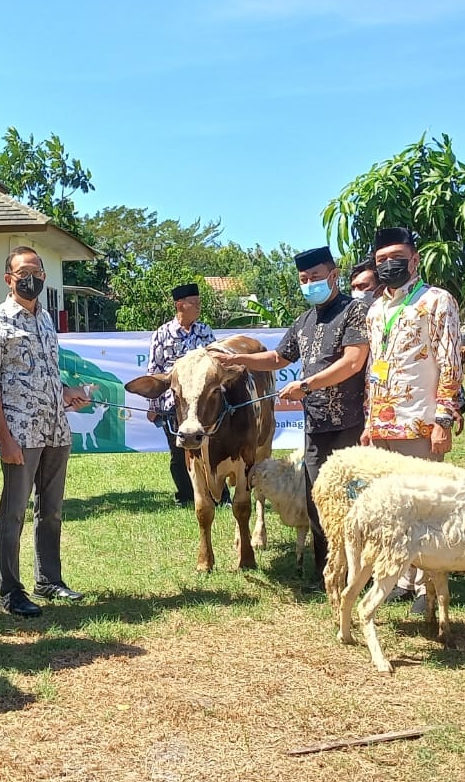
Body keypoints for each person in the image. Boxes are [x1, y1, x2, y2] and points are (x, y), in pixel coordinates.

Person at [210, 246, 368, 584]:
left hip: (350, 423)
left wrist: (306, 385)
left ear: (333, 274)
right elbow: (277, 359)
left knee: (352, 498)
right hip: (315, 423)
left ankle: (357, 571)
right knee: (316, 498)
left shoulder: (354, 312)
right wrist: (235, 361)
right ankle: (324, 571)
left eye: (315, 277)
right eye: (304, 279)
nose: (310, 283)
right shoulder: (305, 321)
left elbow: (353, 361)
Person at [0, 246, 90, 618]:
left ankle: (48, 580)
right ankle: (10, 590)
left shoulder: (46, 319)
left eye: (38, 271)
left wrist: (66, 391)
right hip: (20, 433)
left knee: (51, 510)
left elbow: (48, 371)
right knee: (14, 512)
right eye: (25, 271)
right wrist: (5, 438)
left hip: (55, 427)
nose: (33, 277)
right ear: (9, 279)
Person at [362, 227, 462, 459]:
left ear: (414, 260)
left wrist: (443, 421)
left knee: (422, 495)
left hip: (419, 426)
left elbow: (451, 365)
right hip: (380, 427)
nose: (389, 264)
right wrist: (369, 423)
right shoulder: (375, 310)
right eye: (382, 259)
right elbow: (372, 369)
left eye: (397, 257)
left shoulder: (436, 300)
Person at [145, 283, 216, 506]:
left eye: (199, 303)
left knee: (210, 448)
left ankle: (218, 496)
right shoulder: (162, 334)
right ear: (179, 305)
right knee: (178, 452)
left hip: (203, 404)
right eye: (193, 303)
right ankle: (186, 495)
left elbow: (215, 365)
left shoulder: (205, 332)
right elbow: (154, 371)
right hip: (173, 403)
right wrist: (153, 406)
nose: (198, 307)